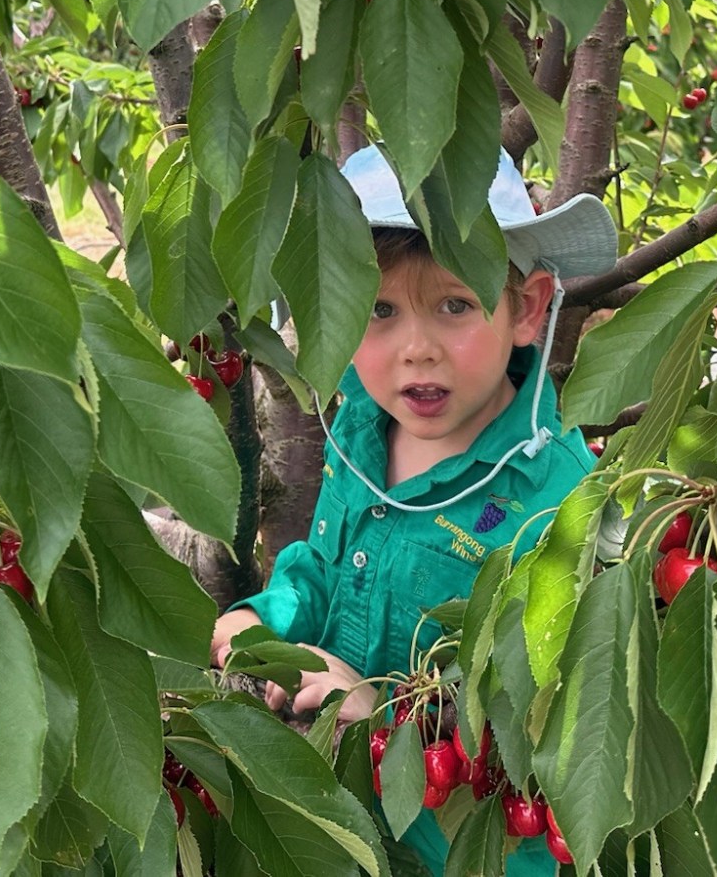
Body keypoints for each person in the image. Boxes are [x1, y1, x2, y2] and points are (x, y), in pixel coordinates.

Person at [210, 145, 618, 876]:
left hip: (469, 854)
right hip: (343, 818)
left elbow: (557, 716)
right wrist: (273, 615)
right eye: (378, 310)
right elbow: (323, 569)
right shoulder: (362, 432)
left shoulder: (558, 500)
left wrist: (387, 717)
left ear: (525, 309)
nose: (416, 350)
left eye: (455, 306)